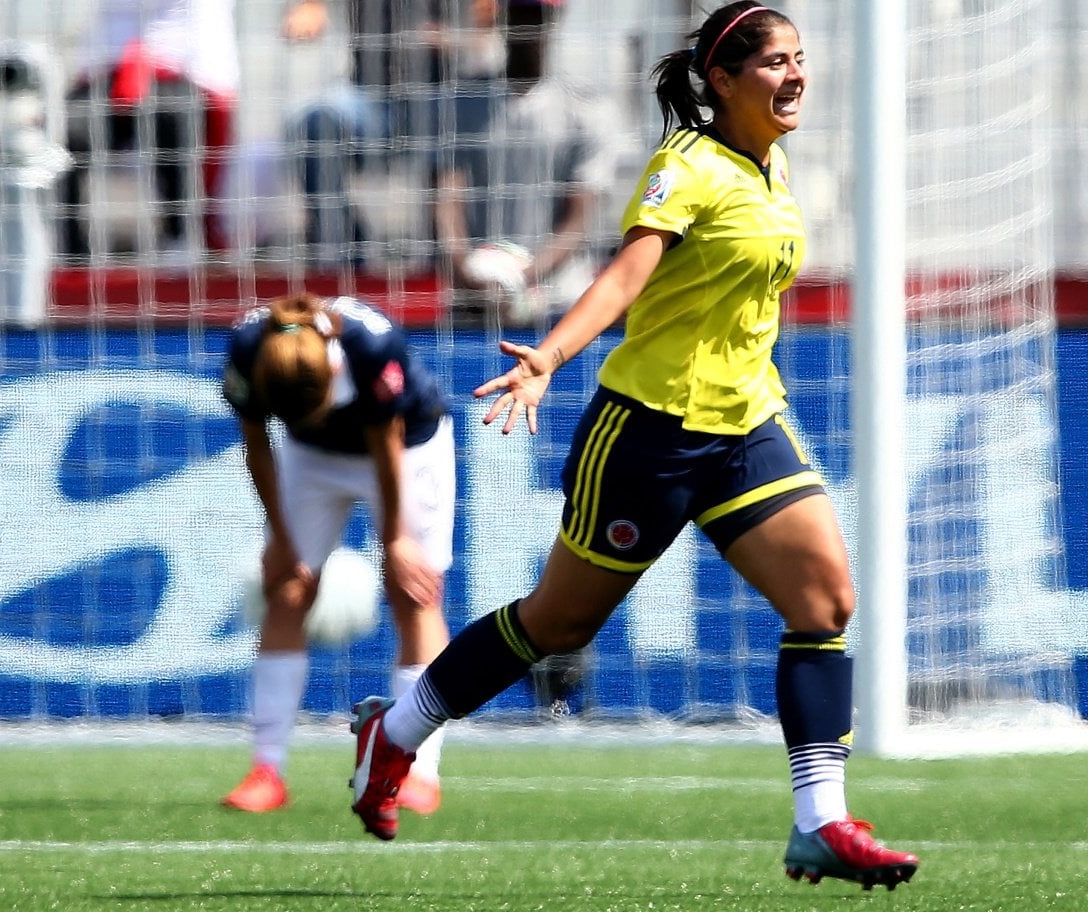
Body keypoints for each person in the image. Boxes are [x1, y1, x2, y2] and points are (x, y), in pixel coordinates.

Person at [346, 1, 920, 890]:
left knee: (826, 603)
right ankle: (401, 731)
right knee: (557, 622)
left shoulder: (771, 167)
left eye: (800, 58)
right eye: (774, 62)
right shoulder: (685, 164)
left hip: (746, 427)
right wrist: (547, 356)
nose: (796, 74)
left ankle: (823, 822)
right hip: (647, 430)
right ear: (721, 80)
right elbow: (625, 271)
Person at [220, 292, 454, 836]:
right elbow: (257, 445)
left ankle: (418, 770)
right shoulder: (248, 349)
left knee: (415, 594)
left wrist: (396, 540)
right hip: (310, 460)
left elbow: (388, 442)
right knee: (286, 590)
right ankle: (267, 770)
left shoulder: (370, 345)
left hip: (408, 449)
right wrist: (279, 538)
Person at [284, 0, 504, 269]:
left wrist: (445, 39)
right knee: (316, 123)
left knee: (470, 122)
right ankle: (345, 259)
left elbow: (487, 39)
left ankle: (451, 262)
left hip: (442, 98)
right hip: (371, 97)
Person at [435, 0, 613, 325]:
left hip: (559, 298)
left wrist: (521, 278)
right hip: (476, 296)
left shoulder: (584, 109)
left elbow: (578, 219)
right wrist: (468, 271)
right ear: (502, 19)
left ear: (553, 22)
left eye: (537, 16)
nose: (526, 27)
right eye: (518, 15)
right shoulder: (463, 102)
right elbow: (448, 199)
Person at [59, 0, 237, 261]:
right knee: (67, 131)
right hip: (108, 65)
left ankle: (183, 239)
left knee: (176, 120)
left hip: (183, 68)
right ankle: (72, 254)